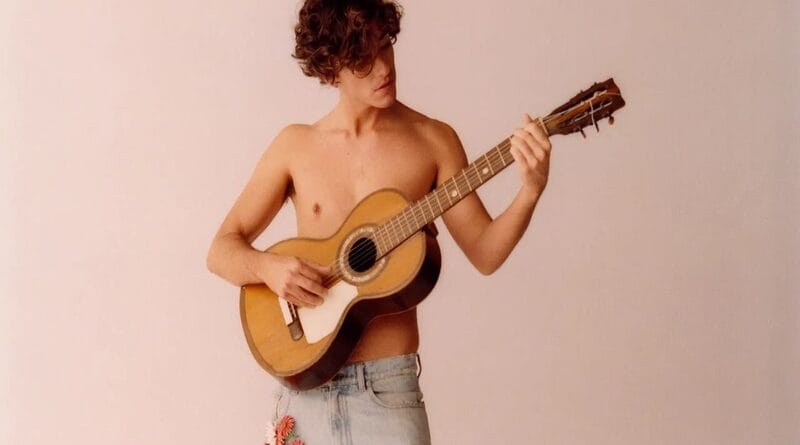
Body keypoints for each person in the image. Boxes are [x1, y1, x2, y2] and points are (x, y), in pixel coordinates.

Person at [206, 0, 552, 443]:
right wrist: (268, 268)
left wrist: (530, 191)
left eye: (385, 45)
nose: (383, 68)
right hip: (302, 398)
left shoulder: (433, 140)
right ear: (330, 68)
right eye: (362, 60)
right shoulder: (295, 146)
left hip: (388, 396)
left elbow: (485, 253)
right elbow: (221, 249)